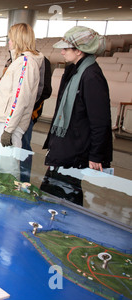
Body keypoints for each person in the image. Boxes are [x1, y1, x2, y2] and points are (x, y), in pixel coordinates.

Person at [40, 26, 112, 206]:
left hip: (75, 149)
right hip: (65, 146)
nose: (62, 52)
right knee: (51, 192)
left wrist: (96, 155)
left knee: (67, 196)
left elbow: (100, 121)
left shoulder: (91, 76)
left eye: (66, 48)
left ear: (79, 51)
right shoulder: (74, 71)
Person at [0, 23, 44, 179]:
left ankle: (9, 201)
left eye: (11, 39)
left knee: (9, 168)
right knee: (5, 165)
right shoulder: (20, 61)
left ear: (18, 40)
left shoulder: (25, 63)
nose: (8, 43)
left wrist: (9, 130)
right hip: (8, 121)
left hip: (11, 123)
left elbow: (19, 100)